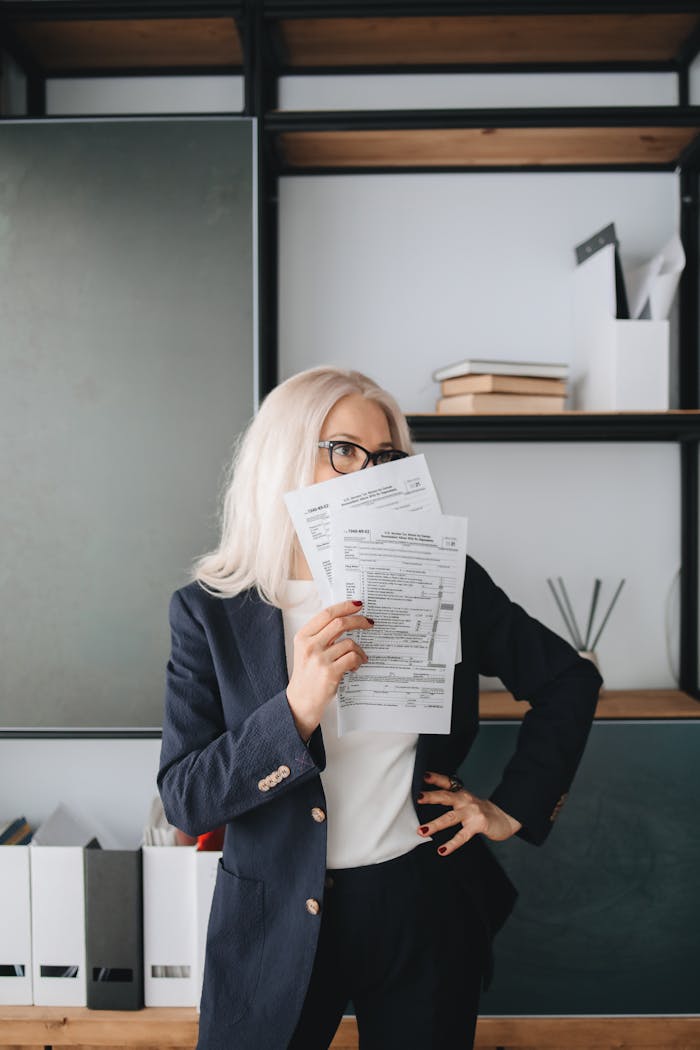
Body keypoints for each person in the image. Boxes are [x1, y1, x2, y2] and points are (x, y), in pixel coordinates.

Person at [157, 365, 603, 1050]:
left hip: (420, 902)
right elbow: (186, 798)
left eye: (387, 457)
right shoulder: (211, 612)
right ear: (286, 455)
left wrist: (512, 805)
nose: (369, 475)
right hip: (275, 914)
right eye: (344, 451)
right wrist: (296, 710)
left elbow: (567, 680)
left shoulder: (444, 577)